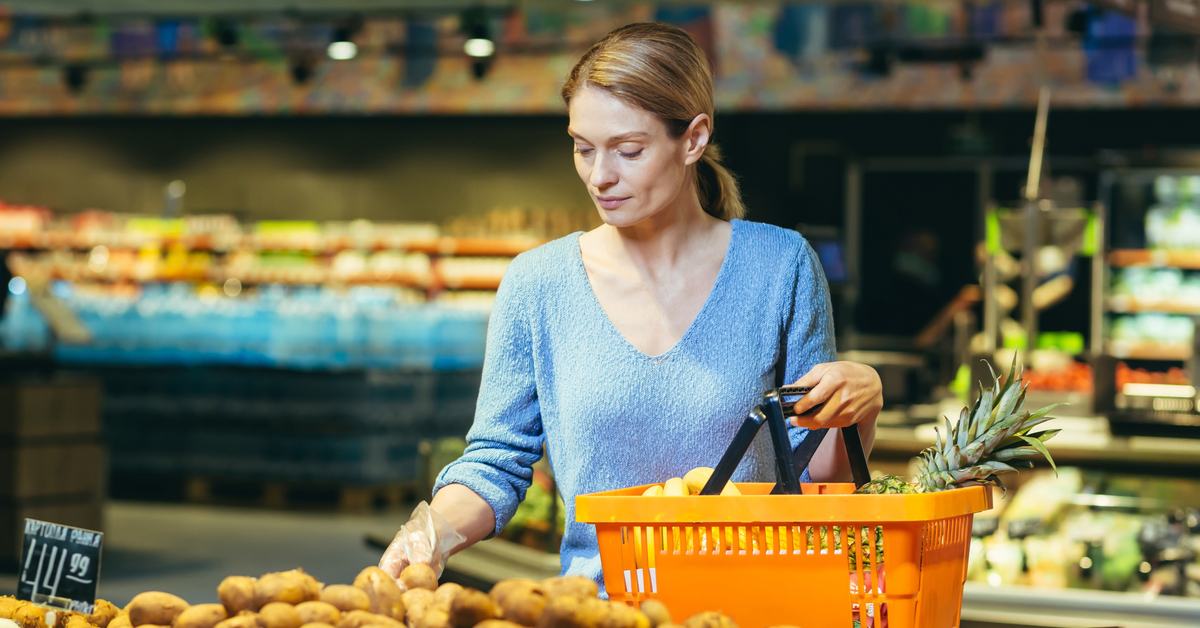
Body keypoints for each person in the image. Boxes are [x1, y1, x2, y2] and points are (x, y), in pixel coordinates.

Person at [380, 22, 882, 589]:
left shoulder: (780, 267)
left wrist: (860, 405)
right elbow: (495, 460)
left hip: (747, 606)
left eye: (629, 150)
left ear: (693, 139)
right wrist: (429, 534)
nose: (600, 176)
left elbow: (817, 478)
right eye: (583, 148)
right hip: (595, 610)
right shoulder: (538, 284)